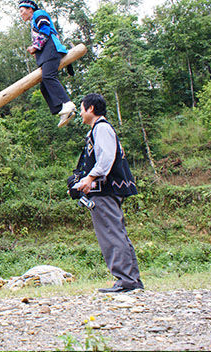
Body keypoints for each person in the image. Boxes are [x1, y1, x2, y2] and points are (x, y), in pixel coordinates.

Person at [74, 93, 144, 293]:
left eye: (81, 109)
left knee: (111, 234)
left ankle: (127, 281)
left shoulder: (101, 128)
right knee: (115, 232)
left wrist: (90, 178)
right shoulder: (98, 130)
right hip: (107, 189)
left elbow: (106, 159)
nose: (80, 113)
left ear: (91, 109)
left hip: (105, 190)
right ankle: (130, 279)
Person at [18, 0, 76, 127]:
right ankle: (61, 110)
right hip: (46, 54)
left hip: (51, 50)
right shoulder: (33, 21)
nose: (21, 14)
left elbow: (45, 30)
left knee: (48, 77)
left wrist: (35, 46)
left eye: (22, 11)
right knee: (44, 86)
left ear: (30, 9)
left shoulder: (39, 14)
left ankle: (67, 103)